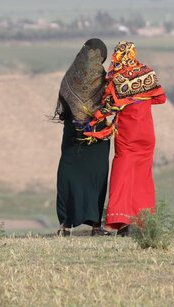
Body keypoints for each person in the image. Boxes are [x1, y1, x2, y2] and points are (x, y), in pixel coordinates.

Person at [84, 41, 166, 235]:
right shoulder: (146, 72)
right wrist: (139, 98)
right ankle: (143, 221)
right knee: (142, 177)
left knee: (122, 176)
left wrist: (91, 121)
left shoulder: (115, 78)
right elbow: (160, 98)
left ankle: (120, 221)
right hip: (146, 132)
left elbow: (106, 106)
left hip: (127, 134)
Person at [53, 38, 111, 236]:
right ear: (101, 56)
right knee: (96, 178)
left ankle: (64, 226)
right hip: (97, 135)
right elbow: (111, 103)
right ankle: (96, 226)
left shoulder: (70, 76)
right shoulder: (104, 79)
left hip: (72, 136)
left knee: (69, 176)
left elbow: (63, 107)